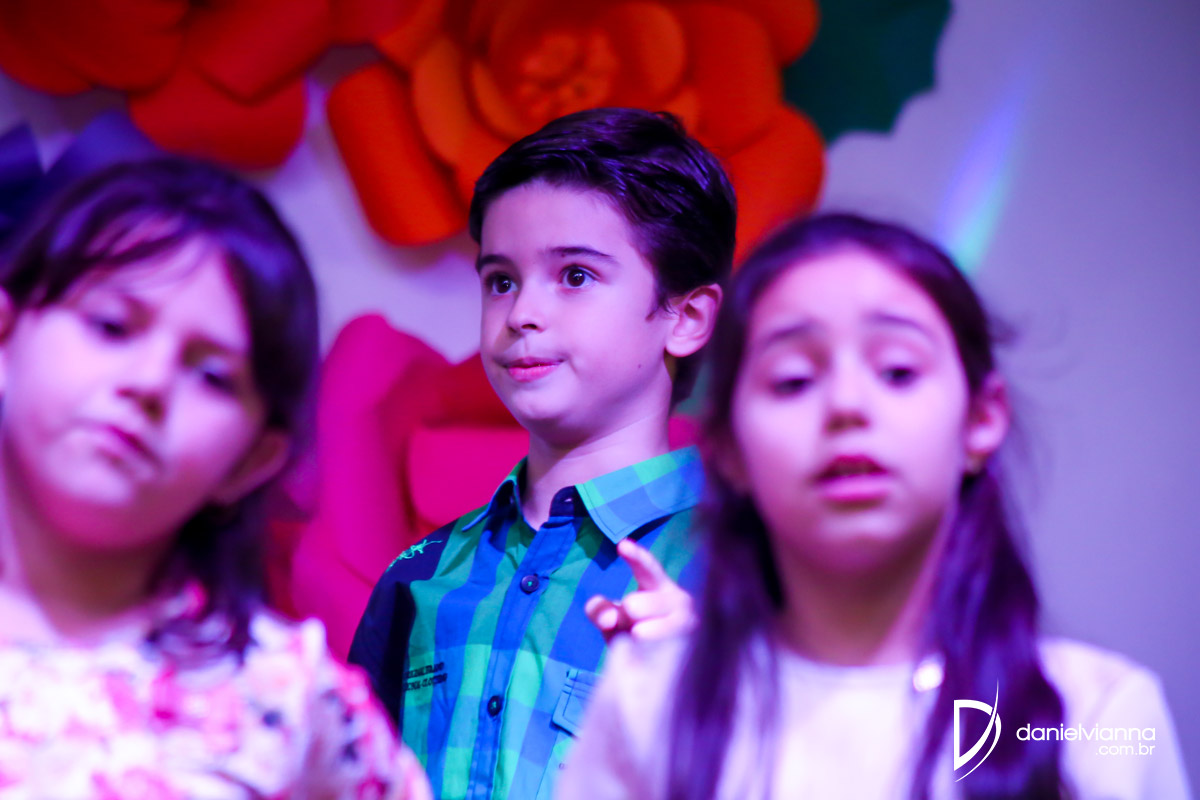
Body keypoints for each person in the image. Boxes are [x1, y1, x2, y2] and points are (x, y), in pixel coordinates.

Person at [557, 213, 1192, 799]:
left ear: (980, 419)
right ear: (729, 450)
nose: (847, 405)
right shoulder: (650, 702)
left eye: (897, 371)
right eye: (793, 380)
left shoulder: (1102, 717)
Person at [0, 158, 430, 798]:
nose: (148, 382)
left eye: (211, 376)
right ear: (6, 335)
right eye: (111, 326)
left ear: (252, 461)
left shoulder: (286, 696)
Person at [348, 107, 737, 800]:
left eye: (575, 276)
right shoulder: (420, 575)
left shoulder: (746, 568)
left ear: (685, 317)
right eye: (501, 280)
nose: (522, 313)